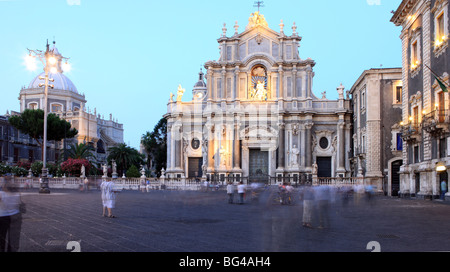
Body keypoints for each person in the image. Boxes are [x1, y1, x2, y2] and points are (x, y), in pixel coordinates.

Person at [0, 177, 24, 252]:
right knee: (13, 237)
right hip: (15, 216)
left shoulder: (1, 194)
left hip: (2, 217)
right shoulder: (17, 194)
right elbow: (20, 204)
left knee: (1, 236)